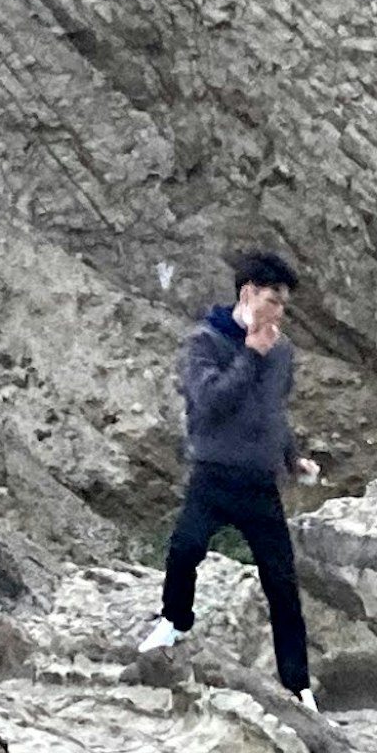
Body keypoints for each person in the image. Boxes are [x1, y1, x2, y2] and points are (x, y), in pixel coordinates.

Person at [138, 248, 317, 700]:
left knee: (282, 583)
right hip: (213, 471)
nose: (278, 313)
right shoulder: (205, 341)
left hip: (259, 480)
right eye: (272, 301)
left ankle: (297, 685)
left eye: (282, 305)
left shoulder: (284, 352)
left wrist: (293, 458)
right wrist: (251, 355)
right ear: (248, 294)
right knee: (185, 549)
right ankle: (174, 623)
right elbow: (212, 401)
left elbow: (274, 411)